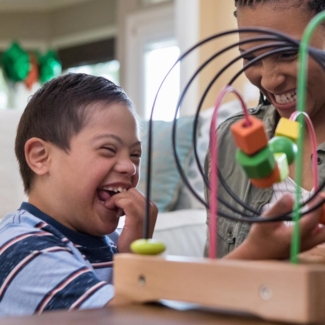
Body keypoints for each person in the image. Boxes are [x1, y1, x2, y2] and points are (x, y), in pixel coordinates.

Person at [0, 73, 157, 316]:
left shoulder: (117, 242)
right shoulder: (24, 250)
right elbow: (141, 319)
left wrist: (131, 254)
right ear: (41, 157)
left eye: (135, 154)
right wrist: (136, 258)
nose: (130, 167)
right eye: (108, 149)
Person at [204, 0, 325, 259]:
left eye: (287, 53)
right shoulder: (228, 140)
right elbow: (213, 279)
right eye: (251, 57)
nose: (269, 80)